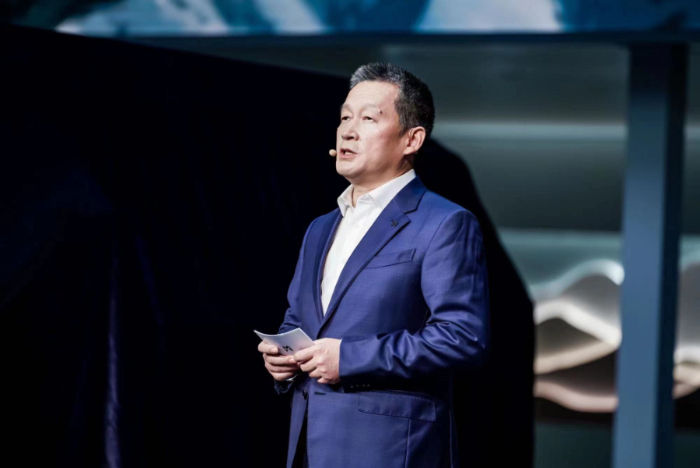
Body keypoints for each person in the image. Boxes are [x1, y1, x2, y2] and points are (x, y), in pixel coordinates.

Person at [257, 62, 490, 468]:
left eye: (368, 119)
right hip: (310, 443)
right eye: (345, 117)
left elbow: (461, 337)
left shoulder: (444, 222)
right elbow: (301, 318)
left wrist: (350, 358)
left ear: (411, 139)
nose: (348, 131)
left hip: (388, 448)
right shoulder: (320, 227)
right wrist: (284, 358)